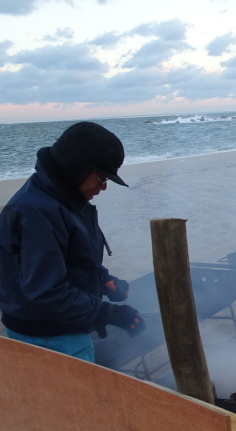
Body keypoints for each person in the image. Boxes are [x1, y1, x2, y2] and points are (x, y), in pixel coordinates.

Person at [0, 121, 145, 363]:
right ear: (77, 166)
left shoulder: (62, 198)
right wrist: (108, 313)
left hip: (58, 329)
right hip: (48, 336)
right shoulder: (37, 211)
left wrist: (103, 279)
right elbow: (45, 294)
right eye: (101, 178)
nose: (104, 187)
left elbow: (69, 261)